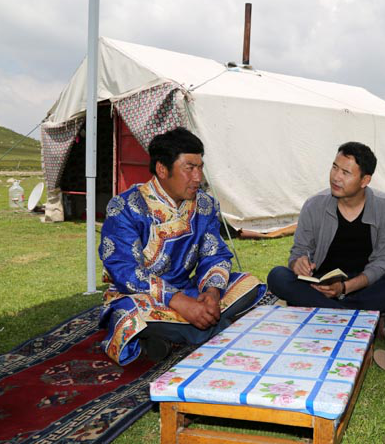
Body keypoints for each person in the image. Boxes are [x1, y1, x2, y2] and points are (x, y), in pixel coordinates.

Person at [98, 127, 265, 366]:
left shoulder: (204, 205)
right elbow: (124, 270)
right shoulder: (126, 207)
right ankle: (205, 328)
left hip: (189, 292)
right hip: (140, 297)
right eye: (189, 168)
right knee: (130, 315)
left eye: (200, 167)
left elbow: (214, 253)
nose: (198, 177)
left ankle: (177, 333)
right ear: (162, 169)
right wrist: (178, 301)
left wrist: (211, 293)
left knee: (248, 284)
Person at [267, 141, 385, 311]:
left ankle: (333, 310)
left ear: (365, 180)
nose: (336, 177)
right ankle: (352, 312)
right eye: (334, 168)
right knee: (277, 276)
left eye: (345, 173)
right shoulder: (314, 205)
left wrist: (345, 288)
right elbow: (299, 251)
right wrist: (297, 263)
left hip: (366, 286)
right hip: (321, 287)